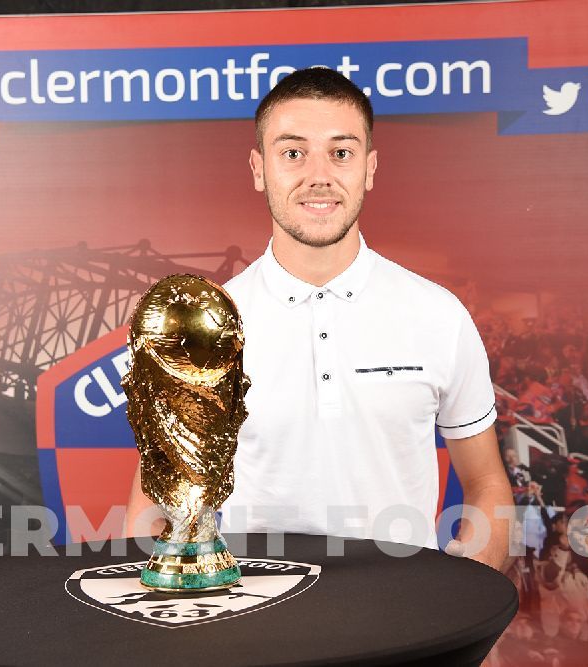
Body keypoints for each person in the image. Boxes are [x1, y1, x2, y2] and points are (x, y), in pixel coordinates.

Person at [125, 67, 512, 572]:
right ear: (258, 168)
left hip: (406, 625)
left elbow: (485, 481)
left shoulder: (439, 314)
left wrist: (465, 598)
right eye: (292, 153)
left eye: (341, 152)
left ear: (370, 168)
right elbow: (148, 509)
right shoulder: (201, 329)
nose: (319, 175)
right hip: (253, 626)